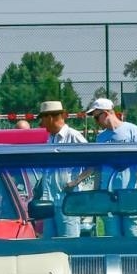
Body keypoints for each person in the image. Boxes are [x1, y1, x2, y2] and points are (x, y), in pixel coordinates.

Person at [83, 98, 137, 237]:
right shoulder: (101, 138)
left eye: (97, 117)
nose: (96, 122)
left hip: (130, 194)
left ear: (106, 113)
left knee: (132, 235)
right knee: (112, 236)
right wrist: (96, 192)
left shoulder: (133, 130)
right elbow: (98, 168)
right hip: (109, 197)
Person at [35, 100, 87, 238]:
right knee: (49, 244)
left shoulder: (73, 136)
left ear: (50, 118)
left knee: (69, 243)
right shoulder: (50, 138)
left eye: (42, 119)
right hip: (49, 202)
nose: (42, 123)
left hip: (67, 202)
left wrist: (76, 181)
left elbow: (95, 161)